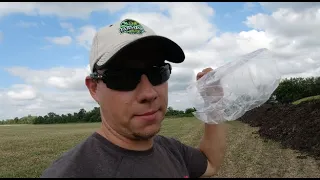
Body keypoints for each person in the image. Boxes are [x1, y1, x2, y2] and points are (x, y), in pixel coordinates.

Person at [40, 18, 227, 178]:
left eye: (157, 72)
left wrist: (214, 102)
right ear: (94, 88)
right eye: (124, 77)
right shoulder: (72, 172)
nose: (149, 93)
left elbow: (211, 163)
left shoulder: (172, 150)